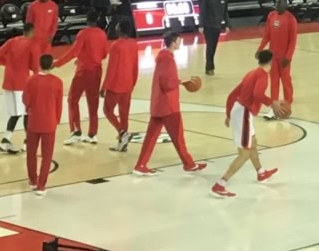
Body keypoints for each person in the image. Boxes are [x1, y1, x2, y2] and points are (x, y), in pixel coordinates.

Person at [133, 30, 206, 176]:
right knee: (178, 137)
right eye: (179, 40)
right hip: (168, 105)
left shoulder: (162, 56)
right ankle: (189, 164)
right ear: (173, 42)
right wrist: (182, 81)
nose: (180, 42)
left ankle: (140, 165)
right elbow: (167, 83)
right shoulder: (168, 59)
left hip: (158, 103)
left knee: (151, 137)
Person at [212, 48, 279, 198]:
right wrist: (271, 103)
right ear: (271, 62)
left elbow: (232, 95)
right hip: (244, 113)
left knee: (253, 142)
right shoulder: (262, 75)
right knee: (245, 152)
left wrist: (229, 114)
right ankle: (221, 184)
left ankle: (261, 173)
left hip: (238, 110)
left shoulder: (251, 72)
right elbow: (257, 94)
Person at [56, 12, 112, 145]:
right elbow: (104, 54)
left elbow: (73, 52)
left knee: (72, 99)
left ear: (87, 21)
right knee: (93, 103)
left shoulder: (83, 33)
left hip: (83, 71)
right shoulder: (102, 34)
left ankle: (76, 131)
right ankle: (92, 134)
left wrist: (58, 63)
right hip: (97, 71)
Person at [23, 54, 64, 196]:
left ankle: (33, 180)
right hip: (50, 122)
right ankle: (41, 186)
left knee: (31, 153)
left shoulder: (30, 80)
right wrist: (56, 120)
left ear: (39, 64)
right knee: (47, 156)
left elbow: (25, 100)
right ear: (51, 65)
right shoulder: (57, 82)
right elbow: (59, 104)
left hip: (34, 121)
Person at [100, 20, 141, 153]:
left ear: (120, 29)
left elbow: (111, 69)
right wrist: (133, 83)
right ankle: (122, 143)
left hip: (115, 85)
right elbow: (135, 67)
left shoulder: (115, 45)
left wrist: (104, 86)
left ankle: (123, 133)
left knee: (107, 110)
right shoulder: (134, 45)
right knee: (124, 114)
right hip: (128, 84)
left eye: (117, 25)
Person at [0, 29, 36, 155]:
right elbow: (34, 65)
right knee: (27, 112)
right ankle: (27, 142)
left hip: (8, 82)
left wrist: (8, 64)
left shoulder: (11, 41)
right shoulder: (31, 43)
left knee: (15, 113)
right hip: (21, 82)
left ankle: (6, 139)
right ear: (32, 32)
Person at [259, 0, 299, 111]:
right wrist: (260, 49)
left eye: (279, 3)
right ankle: (274, 106)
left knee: (286, 81)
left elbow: (293, 41)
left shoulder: (291, 19)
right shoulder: (271, 15)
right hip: (273, 56)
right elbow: (267, 35)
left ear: (284, 5)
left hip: (284, 57)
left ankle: (287, 103)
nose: (276, 5)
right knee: (274, 81)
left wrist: (288, 57)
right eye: (275, 2)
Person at [200, 0, 228, 76]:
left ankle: (209, 66)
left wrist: (227, 24)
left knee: (214, 46)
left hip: (217, 26)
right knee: (210, 46)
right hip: (208, 26)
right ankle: (209, 67)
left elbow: (225, 12)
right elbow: (202, 12)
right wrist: (201, 25)